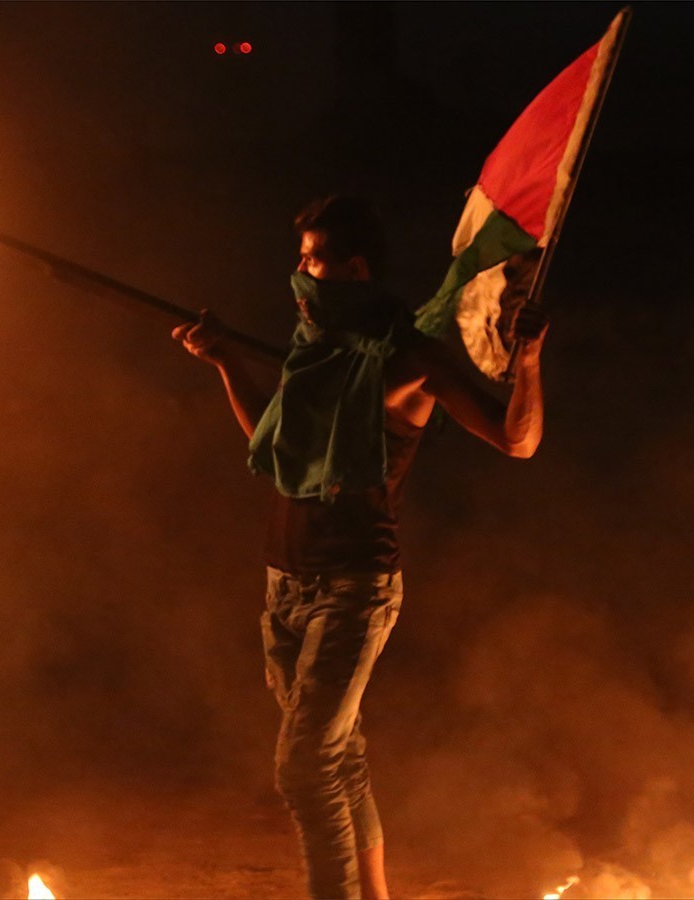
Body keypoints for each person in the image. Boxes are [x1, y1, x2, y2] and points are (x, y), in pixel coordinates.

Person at [172, 195, 547, 900]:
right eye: (300, 257)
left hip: (354, 588)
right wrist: (225, 361)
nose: (300, 273)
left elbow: (517, 440)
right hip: (284, 584)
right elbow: (277, 448)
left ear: (355, 269)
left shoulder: (410, 361)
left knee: (305, 768)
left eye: (315, 260)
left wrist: (527, 358)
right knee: (338, 758)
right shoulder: (315, 351)